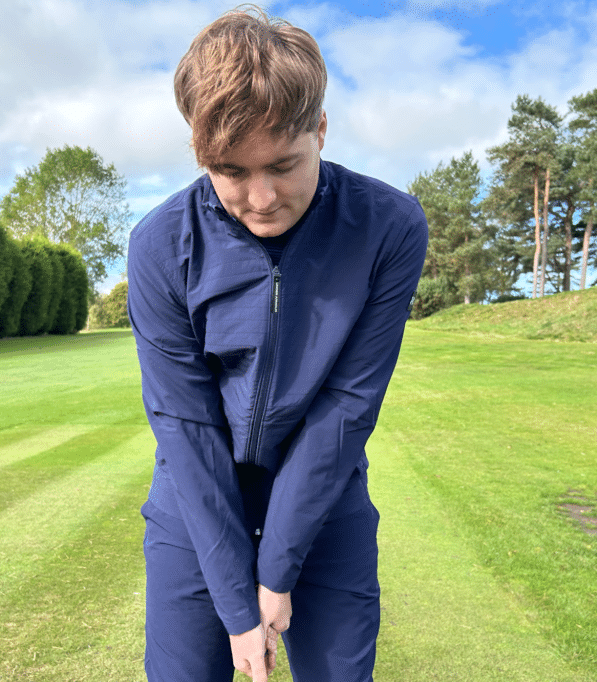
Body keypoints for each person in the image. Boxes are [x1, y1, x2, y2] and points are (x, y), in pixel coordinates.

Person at [127, 6, 427, 681]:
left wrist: (278, 570)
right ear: (200, 152)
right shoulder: (159, 244)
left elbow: (348, 404)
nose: (261, 198)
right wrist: (240, 607)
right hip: (196, 510)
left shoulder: (388, 226)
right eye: (231, 171)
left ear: (319, 129)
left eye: (284, 165)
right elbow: (185, 423)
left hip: (327, 502)